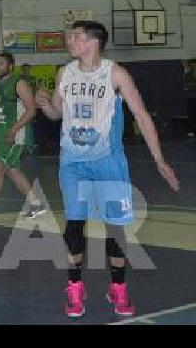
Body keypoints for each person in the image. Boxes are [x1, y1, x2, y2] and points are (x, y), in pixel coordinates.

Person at [36, 21, 179, 318]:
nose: (69, 41)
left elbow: (141, 115)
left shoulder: (115, 74)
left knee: (116, 229)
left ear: (93, 42)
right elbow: (57, 113)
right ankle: (74, 287)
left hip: (108, 163)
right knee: (74, 225)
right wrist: (45, 106)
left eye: (75, 37)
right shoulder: (65, 72)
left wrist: (159, 159)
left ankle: (118, 288)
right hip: (73, 162)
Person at [0, 52, 47, 228]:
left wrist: (14, 129)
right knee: (12, 171)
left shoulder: (19, 83)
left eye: (2, 63)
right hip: (1, 133)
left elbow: (31, 110)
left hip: (15, 134)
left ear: (10, 66)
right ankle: (36, 204)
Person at [20, 63, 38, 152]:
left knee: (29, 125)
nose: (26, 71)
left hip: (30, 104)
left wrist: (34, 102)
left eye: (28, 69)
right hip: (21, 104)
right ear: (22, 70)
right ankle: (23, 145)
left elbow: (35, 90)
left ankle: (30, 145)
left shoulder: (33, 79)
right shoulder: (19, 79)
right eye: (24, 69)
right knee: (23, 124)